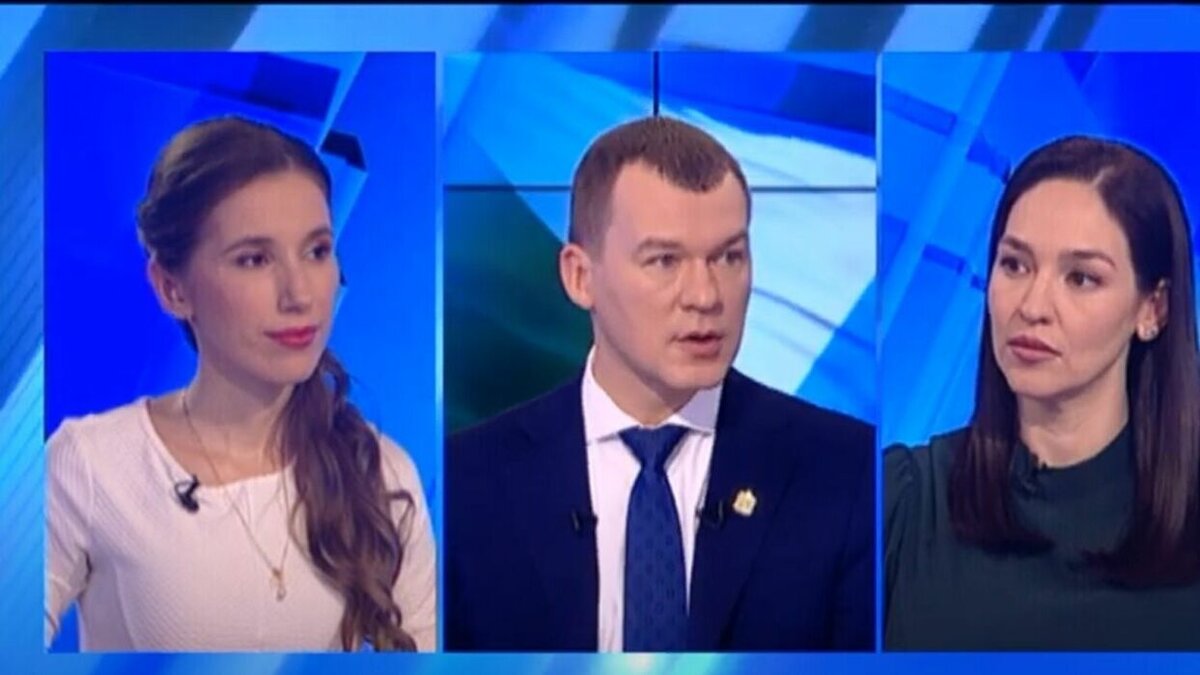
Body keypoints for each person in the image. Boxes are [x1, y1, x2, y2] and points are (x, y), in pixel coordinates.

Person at [445, 115, 875, 652]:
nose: (706, 296)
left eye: (729, 257)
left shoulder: (847, 471)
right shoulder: (470, 482)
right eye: (665, 261)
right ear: (580, 277)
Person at [44, 116, 436, 652]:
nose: (299, 294)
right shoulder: (92, 465)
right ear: (172, 288)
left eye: (317, 251)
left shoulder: (381, 472)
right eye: (254, 259)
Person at [885, 135, 1200, 651]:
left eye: (1081, 278)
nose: (1032, 306)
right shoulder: (904, 502)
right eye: (1015, 265)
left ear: (1153, 309)